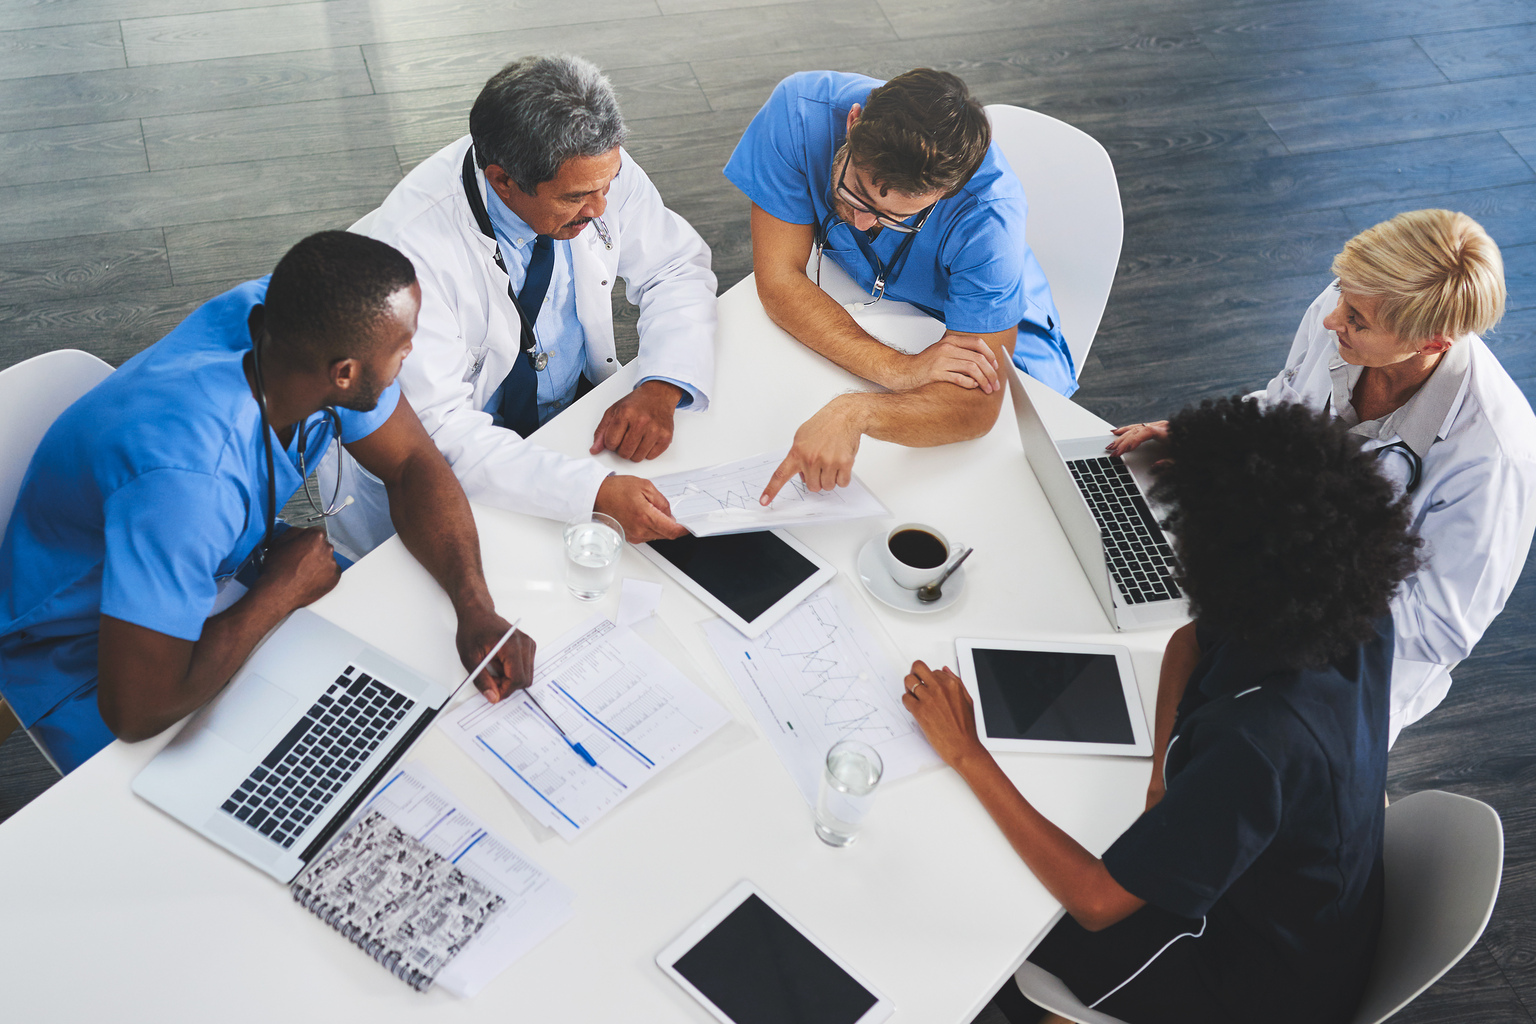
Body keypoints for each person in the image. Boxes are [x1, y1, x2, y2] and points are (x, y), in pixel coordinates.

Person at [913, 398, 1420, 1024]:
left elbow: (1096, 902)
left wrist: (968, 751)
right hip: (1306, 902)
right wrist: (1162, 779)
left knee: (997, 914)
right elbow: (1189, 640)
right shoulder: (1347, 608)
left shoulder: (1260, 743)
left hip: (1250, 979)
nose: (1178, 543)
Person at [0, 232, 534, 775]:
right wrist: (281, 592)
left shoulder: (299, 325)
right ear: (345, 372)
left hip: (219, 571)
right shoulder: (191, 484)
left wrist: (475, 607)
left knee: (391, 710)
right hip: (84, 653)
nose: (410, 352)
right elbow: (136, 710)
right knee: (265, 792)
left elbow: (413, 464)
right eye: (403, 345)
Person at [1108, 210, 1536, 746]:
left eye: (1356, 318)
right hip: (1261, 586)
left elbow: (1439, 628)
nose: (1333, 319)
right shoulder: (1347, 308)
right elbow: (1287, 408)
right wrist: (1208, 436)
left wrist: (1288, 585)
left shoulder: (1496, 458)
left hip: (1342, 673)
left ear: (1432, 344)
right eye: (1341, 293)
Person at [325, 53, 716, 560]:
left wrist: (663, 383)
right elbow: (436, 432)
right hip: (451, 470)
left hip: (571, 423)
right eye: (577, 197)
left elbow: (675, 268)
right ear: (502, 180)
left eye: (608, 185)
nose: (601, 209)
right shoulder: (406, 259)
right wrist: (590, 494)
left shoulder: (595, 168)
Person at [723, 68, 1073, 503]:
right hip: (883, 316)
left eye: (898, 217)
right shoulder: (799, 111)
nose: (865, 223)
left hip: (1003, 347)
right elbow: (777, 281)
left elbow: (976, 409)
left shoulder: (990, 218)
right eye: (857, 194)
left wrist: (856, 412)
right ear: (852, 123)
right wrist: (902, 369)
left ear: (947, 193)